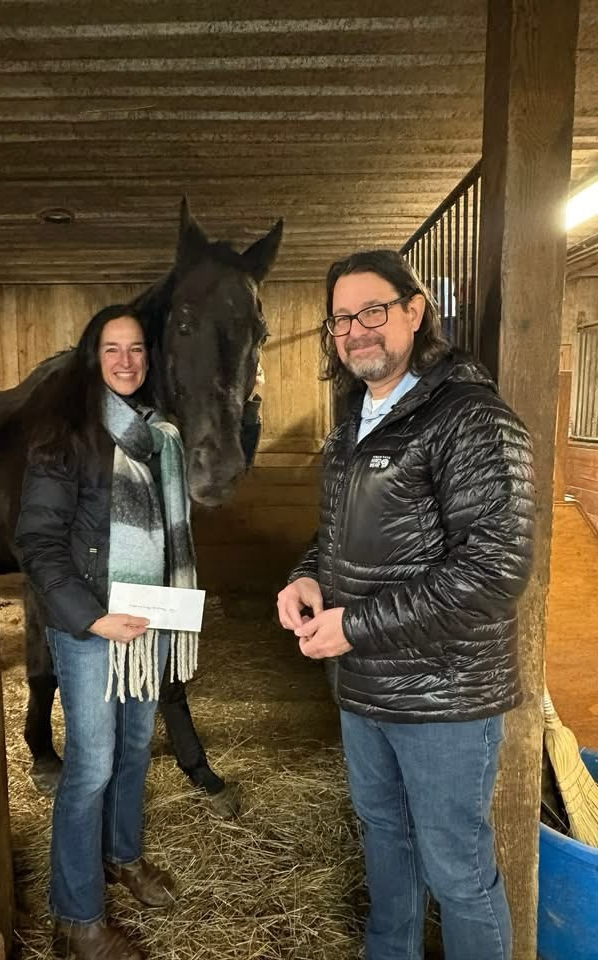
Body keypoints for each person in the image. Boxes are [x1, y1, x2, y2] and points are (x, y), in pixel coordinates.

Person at [276, 250, 535, 960]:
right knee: (385, 839)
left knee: (457, 867)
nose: (356, 329)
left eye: (372, 311)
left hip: (444, 695)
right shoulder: (355, 420)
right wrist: (306, 578)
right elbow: (337, 533)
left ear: (414, 312)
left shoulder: (469, 416)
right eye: (341, 319)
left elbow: (494, 568)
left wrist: (353, 625)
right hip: (365, 688)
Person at [16, 304, 199, 960]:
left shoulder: (159, 437)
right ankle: (78, 920)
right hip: (93, 630)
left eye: (137, 349)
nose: (126, 361)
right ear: (91, 358)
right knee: (90, 766)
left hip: (144, 626)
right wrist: (91, 617)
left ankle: (122, 856)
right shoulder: (65, 435)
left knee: (129, 753)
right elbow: (36, 539)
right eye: (112, 349)